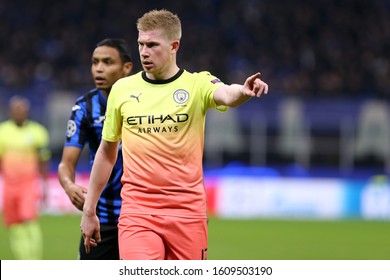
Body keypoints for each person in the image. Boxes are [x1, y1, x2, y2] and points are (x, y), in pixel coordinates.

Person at [81, 9, 269, 260]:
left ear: (174, 46)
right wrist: (89, 209)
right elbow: (107, 151)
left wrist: (243, 91)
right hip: (138, 213)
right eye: (140, 44)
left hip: (188, 214)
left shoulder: (197, 84)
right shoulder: (122, 90)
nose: (144, 52)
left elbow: (226, 93)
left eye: (152, 45)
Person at [57, 38, 133, 259]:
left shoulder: (146, 102)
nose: (99, 68)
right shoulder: (84, 106)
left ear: (126, 67)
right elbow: (66, 163)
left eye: (107, 62)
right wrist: (69, 186)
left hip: (141, 216)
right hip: (102, 219)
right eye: (95, 62)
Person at [0, 95, 51, 260]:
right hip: (9, 185)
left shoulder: (37, 132)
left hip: (28, 184)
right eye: (16, 109)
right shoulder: (3, 131)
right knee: (14, 225)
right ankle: (23, 261)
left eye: (21, 109)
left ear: (27, 111)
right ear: (11, 111)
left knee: (29, 221)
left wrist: (44, 185)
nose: (19, 112)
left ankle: (34, 261)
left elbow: (43, 161)